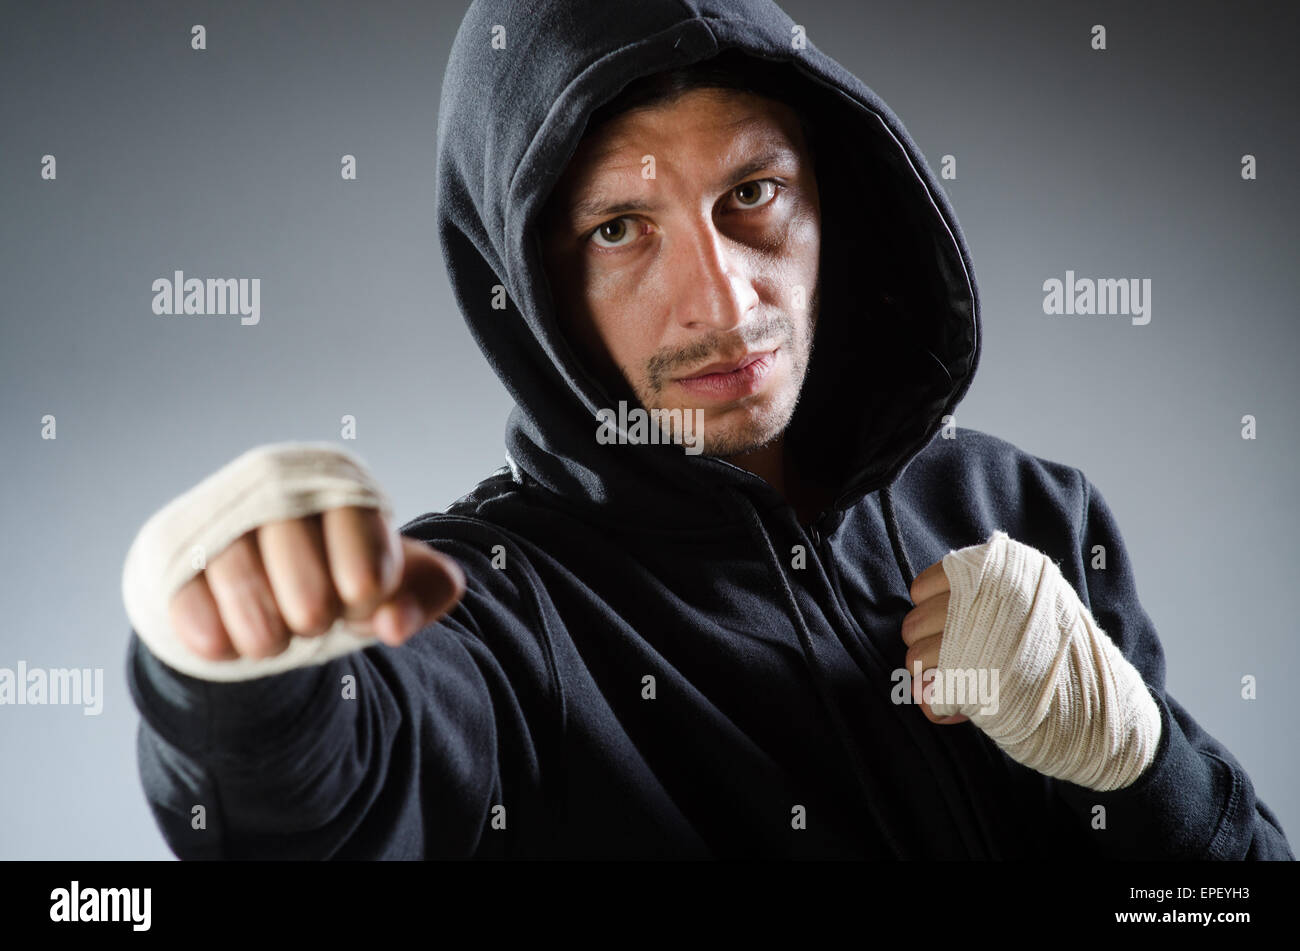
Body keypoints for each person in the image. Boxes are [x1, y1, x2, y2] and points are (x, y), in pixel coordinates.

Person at [124, 0, 1293, 859]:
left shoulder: (1023, 511)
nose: (725, 301)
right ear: (534, 286)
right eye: (622, 230)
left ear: (835, 199)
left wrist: (1141, 770)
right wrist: (239, 675)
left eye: (753, 195)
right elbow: (327, 810)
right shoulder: (497, 612)